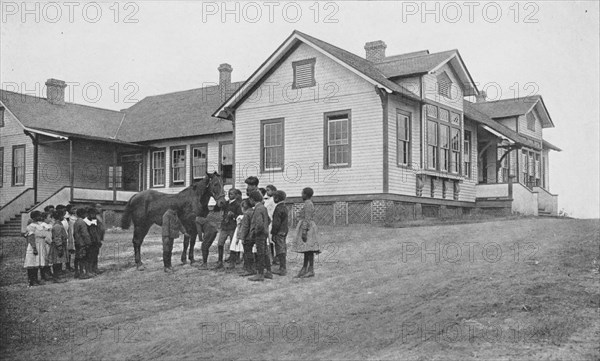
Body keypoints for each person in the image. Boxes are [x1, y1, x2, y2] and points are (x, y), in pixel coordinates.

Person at [292, 187, 320, 278]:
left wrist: (304, 230)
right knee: (306, 249)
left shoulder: (308, 204)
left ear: (306, 194)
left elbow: (307, 218)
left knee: (309, 249)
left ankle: (310, 269)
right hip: (307, 227)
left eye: (302, 193)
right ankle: (304, 268)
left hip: (308, 228)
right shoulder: (307, 203)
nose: (301, 195)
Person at [214, 189, 243, 270]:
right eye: (229, 194)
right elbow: (219, 208)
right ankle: (220, 261)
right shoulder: (226, 203)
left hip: (232, 227)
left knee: (232, 245)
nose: (230, 195)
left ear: (236, 195)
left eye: (232, 194)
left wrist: (233, 215)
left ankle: (232, 262)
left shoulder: (237, 204)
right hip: (224, 226)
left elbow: (240, 216)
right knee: (220, 243)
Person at [248, 190, 272, 282]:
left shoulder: (258, 209)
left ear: (252, 199)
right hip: (264, 234)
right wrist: (265, 228)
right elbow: (269, 220)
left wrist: (255, 232)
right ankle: (268, 272)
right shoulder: (263, 207)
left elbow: (259, 224)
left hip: (259, 235)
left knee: (260, 253)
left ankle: (260, 274)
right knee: (265, 252)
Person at [23, 211, 52, 286]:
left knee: (37, 263)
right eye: (39, 216)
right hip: (35, 245)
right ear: (35, 217)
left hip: (41, 244)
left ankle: (36, 279)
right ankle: (32, 280)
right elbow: (31, 238)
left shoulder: (40, 225)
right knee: (32, 263)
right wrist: (34, 248)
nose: (41, 217)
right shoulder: (31, 226)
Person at [161, 205, 188, 273]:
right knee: (166, 251)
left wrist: (184, 232)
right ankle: (166, 267)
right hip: (167, 236)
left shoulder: (174, 215)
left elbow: (179, 224)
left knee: (170, 250)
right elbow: (165, 226)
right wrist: (166, 236)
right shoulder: (167, 215)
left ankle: (169, 265)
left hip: (171, 236)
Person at [227, 199, 248, 271]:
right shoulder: (247, 216)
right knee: (243, 249)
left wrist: (238, 237)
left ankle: (232, 263)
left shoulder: (240, 217)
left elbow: (239, 228)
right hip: (244, 234)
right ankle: (244, 265)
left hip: (239, 234)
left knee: (234, 248)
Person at [270, 190, 288, 276]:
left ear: (277, 198)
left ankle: (282, 268)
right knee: (283, 247)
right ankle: (282, 266)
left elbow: (276, 223)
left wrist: (273, 233)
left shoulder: (278, 208)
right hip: (284, 230)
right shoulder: (284, 207)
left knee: (280, 249)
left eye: (274, 197)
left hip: (279, 232)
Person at [238, 199, 256, 277]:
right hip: (254, 235)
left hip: (248, 237)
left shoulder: (246, 214)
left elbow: (245, 227)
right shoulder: (254, 212)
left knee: (247, 253)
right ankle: (252, 268)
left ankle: (249, 269)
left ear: (243, 207)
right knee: (251, 252)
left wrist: (242, 238)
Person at [50, 210, 68, 282]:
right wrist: (59, 247)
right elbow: (57, 237)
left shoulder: (59, 224)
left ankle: (58, 276)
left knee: (59, 261)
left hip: (60, 245)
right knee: (57, 262)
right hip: (58, 246)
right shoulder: (57, 226)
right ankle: (56, 277)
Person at [73, 208, 91, 279]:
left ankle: (77, 272)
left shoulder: (76, 222)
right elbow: (85, 234)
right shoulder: (82, 222)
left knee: (78, 258)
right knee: (83, 258)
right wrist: (88, 242)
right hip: (82, 243)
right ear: (82, 214)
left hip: (77, 242)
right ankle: (82, 273)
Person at [85, 208, 104, 276]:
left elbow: (96, 232)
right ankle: (89, 270)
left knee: (95, 255)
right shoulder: (86, 221)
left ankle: (95, 268)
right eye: (92, 214)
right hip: (90, 242)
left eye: (94, 214)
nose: (93, 216)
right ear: (88, 214)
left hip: (95, 241)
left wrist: (98, 240)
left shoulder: (95, 221)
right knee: (89, 256)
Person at [264, 185, 278, 265]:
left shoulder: (274, 200)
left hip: (272, 221)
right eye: (266, 190)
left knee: (273, 240)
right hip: (267, 222)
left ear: (273, 190)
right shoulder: (266, 199)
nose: (267, 192)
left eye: (269, 190)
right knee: (268, 241)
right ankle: (271, 257)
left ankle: (276, 257)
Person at [66, 205, 77, 272]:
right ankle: (68, 265)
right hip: (69, 234)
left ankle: (72, 265)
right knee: (68, 251)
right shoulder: (67, 217)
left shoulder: (75, 217)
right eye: (73, 209)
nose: (75, 210)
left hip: (74, 233)